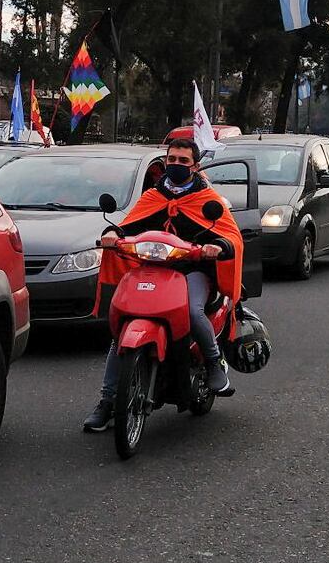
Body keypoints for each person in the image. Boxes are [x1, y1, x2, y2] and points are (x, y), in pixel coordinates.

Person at [82, 137, 243, 432]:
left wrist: (218, 246)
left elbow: (230, 235)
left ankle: (213, 363)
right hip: (152, 270)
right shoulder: (153, 196)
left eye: (183, 161)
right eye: (172, 159)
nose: (176, 165)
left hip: (193, 271)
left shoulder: (208, 200)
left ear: (195, 166)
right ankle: (107, 401)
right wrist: (112, 234)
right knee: (122, 328)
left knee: (193, 312)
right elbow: (130, 225)